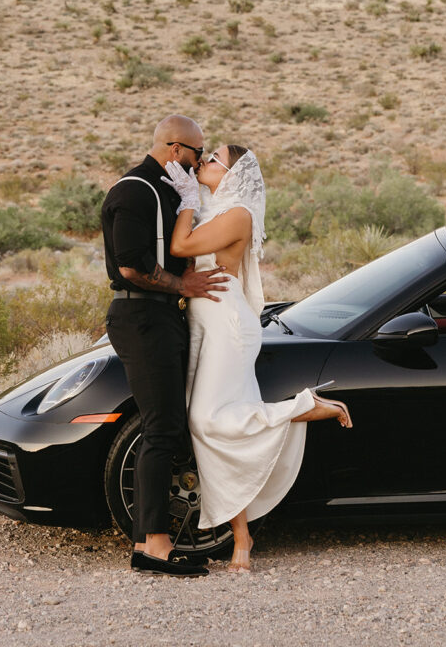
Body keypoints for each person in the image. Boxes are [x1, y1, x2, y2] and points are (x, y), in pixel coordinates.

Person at [163, 145, 353, 573]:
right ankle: (242, 541)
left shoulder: (238, 215)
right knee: (205, 429)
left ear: (233, 173)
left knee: (206, 421)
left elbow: (180, 246)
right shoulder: (216, 206)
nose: (204, 162)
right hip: (204, 321)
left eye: (213, 159)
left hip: (226, 322)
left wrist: (188, 201)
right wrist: (191, 199)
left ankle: (303, 408)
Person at [101, 115, 230, 578]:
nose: (200, 161)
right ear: (176, 149)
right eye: (198, 152)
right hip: (141, 317)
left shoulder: (170, 191)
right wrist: (184, 285)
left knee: (168, 426)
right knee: (160, 428)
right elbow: (132, 266)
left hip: (162, 316)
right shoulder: (133, 190)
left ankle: (146, 541)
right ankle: (154, 546)